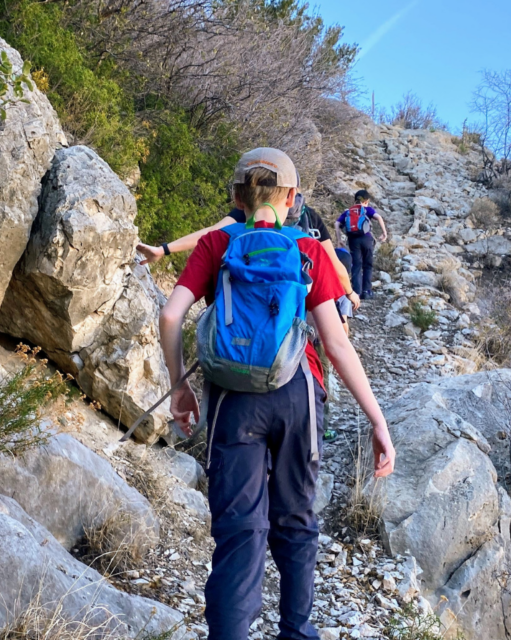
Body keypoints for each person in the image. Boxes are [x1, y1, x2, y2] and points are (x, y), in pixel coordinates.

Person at [158, 148, 395, 640]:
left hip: (230, 398)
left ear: (238, 198)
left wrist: (180, 388)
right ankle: (296, 630)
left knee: (239, 530)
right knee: (296, 520)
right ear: (291, 198)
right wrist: (377, 420)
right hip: (297, 395)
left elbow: (170, 316)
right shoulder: (307, 248)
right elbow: (335, 344)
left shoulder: (217, 243)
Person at [137, 192, 361, 311]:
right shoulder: (308, 218)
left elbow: (210, 232)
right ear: (291, 194)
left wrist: (163, 249)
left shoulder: (245, 211)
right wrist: (350, 294)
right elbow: (337, 268)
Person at [335, 190, 388, 299]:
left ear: (355, 200)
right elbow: (378, 217)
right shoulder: (367, 209)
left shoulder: (348, 211)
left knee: (356, 265)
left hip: (353, 240)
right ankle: (367, 291)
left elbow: (337, 223)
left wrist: (339, 239)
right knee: (368, 265)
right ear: (366, 201)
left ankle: (357, 292)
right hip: (366, 239)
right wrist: (384, 233)